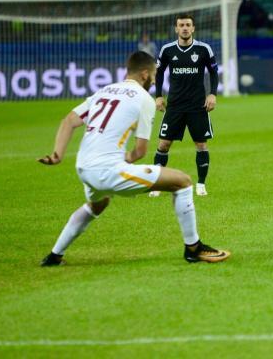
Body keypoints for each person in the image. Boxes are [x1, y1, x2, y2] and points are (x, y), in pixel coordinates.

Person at [38, 51, 229, 266]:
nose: (155, 80)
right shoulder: (143, 99)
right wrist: (122, 161)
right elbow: (140, 151)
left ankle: (54, 256)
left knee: (97, 205)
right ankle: (193, 248)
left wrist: (57, 155)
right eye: (155, 75)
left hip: (83, 166)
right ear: (145, 74)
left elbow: (69, 121)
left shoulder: (103, 91)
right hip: (107, 169)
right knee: (182, 182)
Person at [149, 14, 218, 198]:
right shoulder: (167, 50)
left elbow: (213, 72)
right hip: (175, 106)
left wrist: (212, 94)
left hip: (197, 106)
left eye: (188, 25)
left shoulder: (204, 49)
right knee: (163, 144)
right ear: (176, 29)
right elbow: (159, 73)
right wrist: (158, 96)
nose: (185, 28)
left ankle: (201, 184)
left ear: (193, 28)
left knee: (201, 145)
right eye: (181, 25)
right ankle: (157, 184)